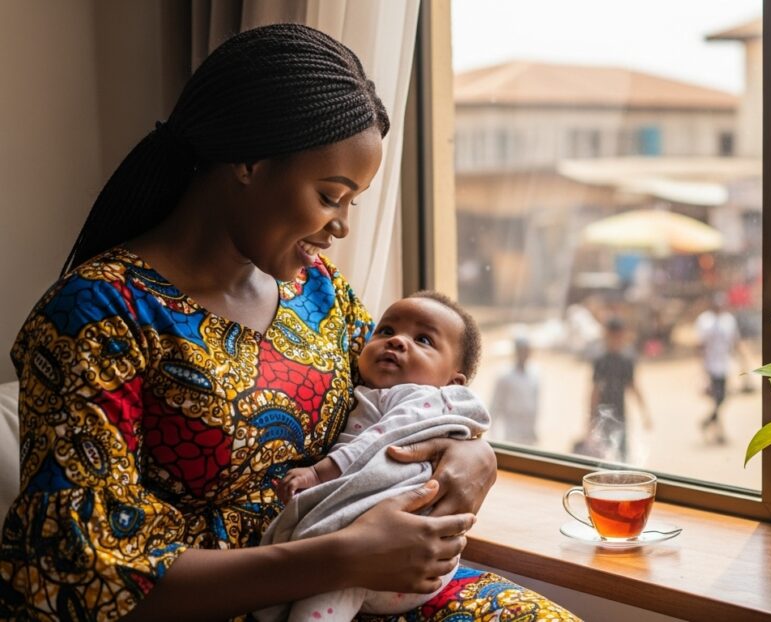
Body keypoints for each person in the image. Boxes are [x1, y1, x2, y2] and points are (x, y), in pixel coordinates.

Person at [0, 23, 577, 621]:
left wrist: (474, 457)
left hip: (355, 591)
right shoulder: (97, 314)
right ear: (248, 162)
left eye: (353, 202)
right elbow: (76, 570)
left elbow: (411, 401)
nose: (341, 226)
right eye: (331, 196)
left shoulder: (317, 293)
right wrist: (342, 558)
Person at [257, 290, 489, 621]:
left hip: (397, 559)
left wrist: (319, 473)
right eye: (386, 331)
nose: (396, 341)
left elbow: (382, 439)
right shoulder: (371, 394)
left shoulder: (422, 398)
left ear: (453, 381)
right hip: (374, 555)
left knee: (328, 596)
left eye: (423, 339)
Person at [584, 317, 650, 461]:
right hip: (602, 417)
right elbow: (595, 391)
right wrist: (590, 420)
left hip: (621, 415)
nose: (616, 340)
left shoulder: (626, 361)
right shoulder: (601, 361)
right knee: (603, 457)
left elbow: (633, 386)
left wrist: (645, 413)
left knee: (623, 457)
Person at [696, 293, 743, 444]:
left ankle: (708, 421)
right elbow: (700, 345)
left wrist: (742, 360)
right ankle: (719, 432)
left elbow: (735, 341)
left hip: (724, 364)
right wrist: (702, 368)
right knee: (717, 397)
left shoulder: (728, 320)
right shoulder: (705, 321)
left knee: (722, 398)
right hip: (711, 365)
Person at [489, 335, 539, 444]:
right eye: (522, 350)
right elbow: (495, 405)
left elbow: (536, 403)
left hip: (528, 430)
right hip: (511, 429)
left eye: (527, 350)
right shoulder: (504, 376)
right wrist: (493, 434)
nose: (525, 353)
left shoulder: (535, 373)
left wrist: (535, 429)